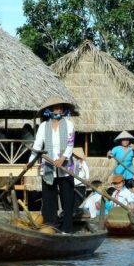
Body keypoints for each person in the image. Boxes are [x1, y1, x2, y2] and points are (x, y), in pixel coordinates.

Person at [29, 96, 77, 233]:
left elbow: (70, 144)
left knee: (67, 198)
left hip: (65, 167)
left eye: (61, 107)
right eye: (56, 107)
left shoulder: (69, 124)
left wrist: (63, 158)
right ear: (50, 110)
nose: (58, 109)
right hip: (48, 167)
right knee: (49, 198)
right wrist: (30, 161)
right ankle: (51, 226)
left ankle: (67, 229)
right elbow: (37, 145)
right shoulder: (44, 126)